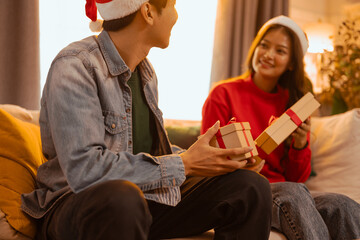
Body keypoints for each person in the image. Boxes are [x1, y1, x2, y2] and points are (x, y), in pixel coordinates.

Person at [20, 0, 273, 239]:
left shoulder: (146, 72)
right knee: (122, 198)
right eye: (173, 5)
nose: (176, 15)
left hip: (140, 198)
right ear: (149, 11)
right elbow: (86, 171)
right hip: (74, 203)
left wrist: (212, 160)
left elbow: (146, 153)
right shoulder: (75, 66)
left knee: (250, 187)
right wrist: (184, 164)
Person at [201, 15, 360, 240]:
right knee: (292, 193)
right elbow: (208, 161)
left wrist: (300, 143)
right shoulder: (223, 94)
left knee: (341, 204)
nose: (268, 55)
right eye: (264, 46)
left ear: (291, 63)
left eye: (280, 51)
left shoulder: (294, 104)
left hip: (286, 191)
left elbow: (297, 180)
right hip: (245, 190)